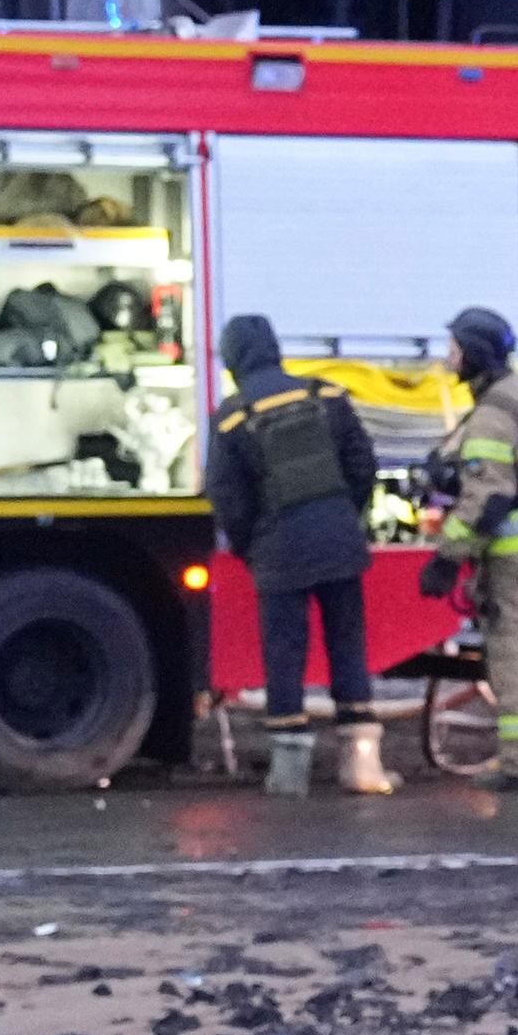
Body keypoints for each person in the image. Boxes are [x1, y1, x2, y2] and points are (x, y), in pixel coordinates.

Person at [213, 310, 392, 794]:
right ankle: (361, 765)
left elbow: (228, 498)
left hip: (278, 552)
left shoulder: (232, 417)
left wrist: (251, 547)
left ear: (232, 359)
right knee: (347, 645)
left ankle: (289, 774)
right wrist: (345, 517)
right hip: (339, 543)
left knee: (285, 654)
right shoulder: (326, 395)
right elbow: (363, 465)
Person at [422, 303, 518, 784]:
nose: (448, 359)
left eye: (454, 349)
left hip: (516, 554)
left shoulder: (493, 414)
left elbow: (488, 499)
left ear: (473, 353)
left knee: (513, 658)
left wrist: (446, 558)